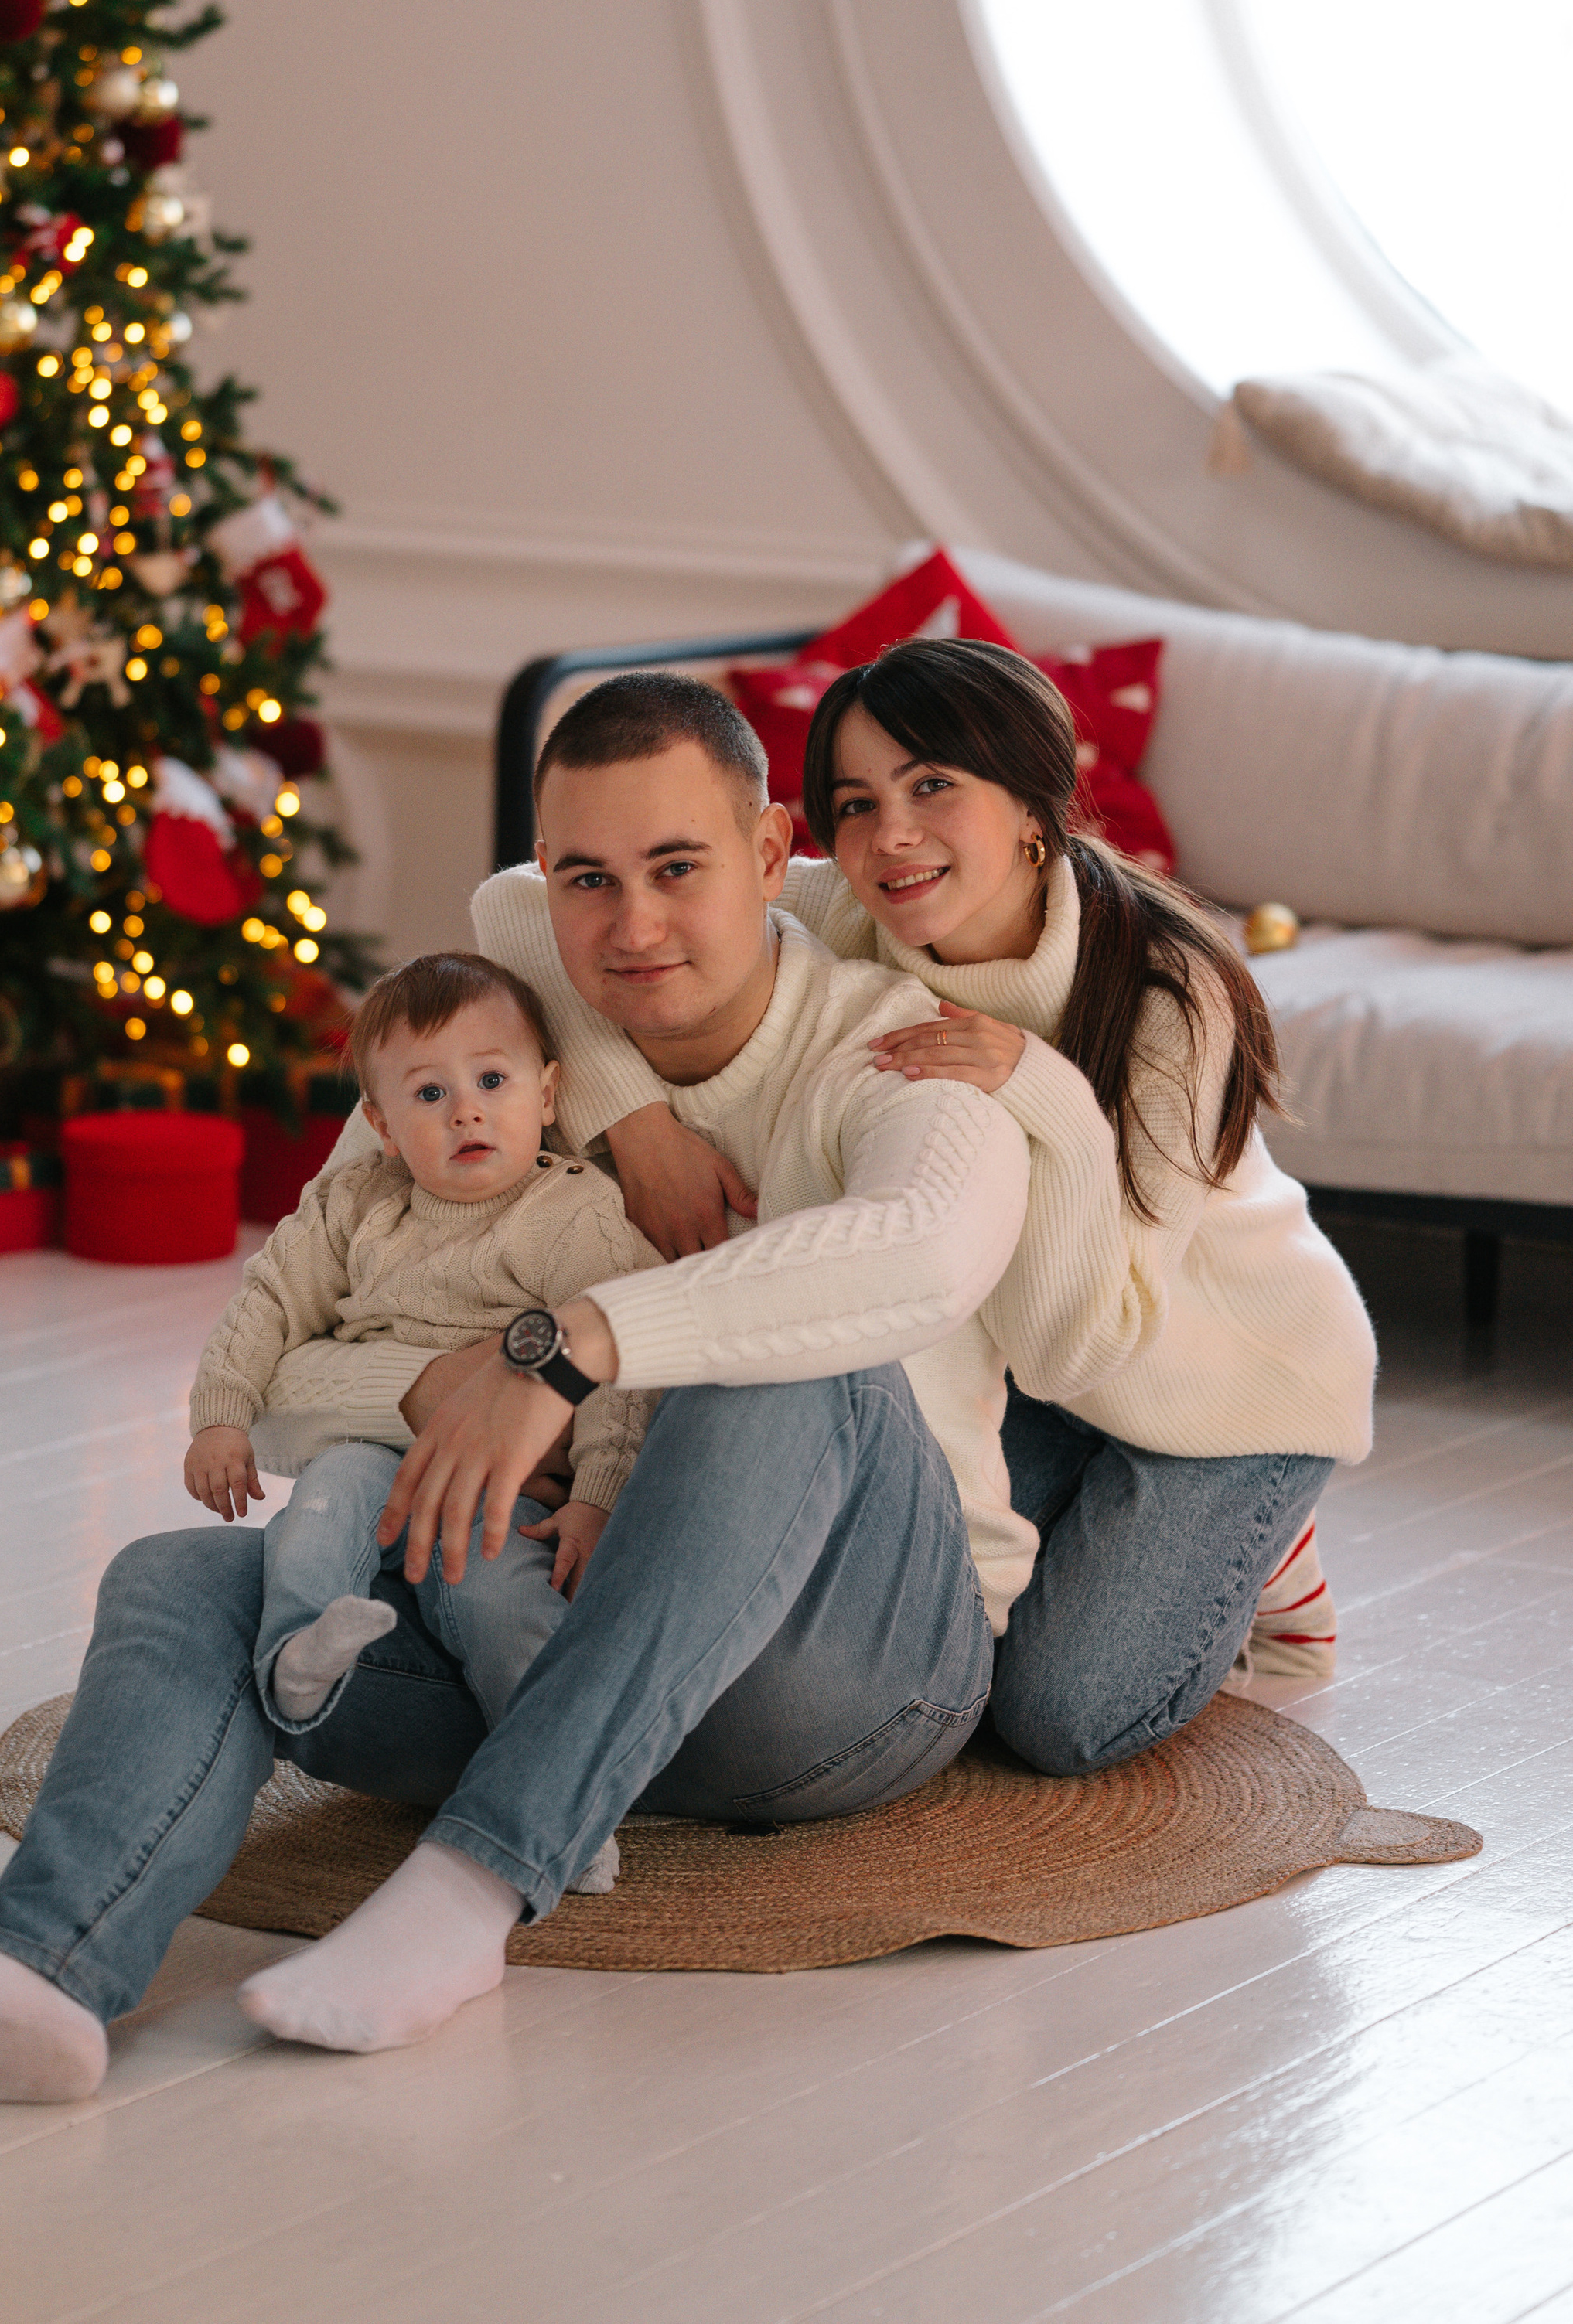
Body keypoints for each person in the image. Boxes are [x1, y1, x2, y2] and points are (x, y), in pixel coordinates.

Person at [0, 673, 1029, 2101]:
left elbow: (923, 1250)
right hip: (534, 1631)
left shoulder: (894, 1049)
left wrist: (568, 1349)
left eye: (677, 868)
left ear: (772, 854)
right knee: (180, 1579)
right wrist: (445, 1385)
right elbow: (288, 1377)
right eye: (588, 878)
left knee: (782, 1364)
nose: (633, 925)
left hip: (838, 1679)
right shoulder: (480, 1054)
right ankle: (27, 1977)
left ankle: (468, 1889)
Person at [479, 639, 1377, 1778]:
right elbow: (513, 903)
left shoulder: (1164, 997)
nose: (891, 836)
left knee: (1058, 1718)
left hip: (1214, 1375)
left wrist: (1047, 1093)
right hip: (1029, 1368)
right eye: (856, 803)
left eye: (933, 785)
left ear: (1033, 807)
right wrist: (636, 1124)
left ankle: (1270, 1551)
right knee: (924, 1607)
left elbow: (1081, 1344)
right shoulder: (866, 907)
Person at [185, 948, 657, 1893]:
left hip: (506, 1478)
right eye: (430, 1094)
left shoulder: (575, 1216)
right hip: (375, 1453)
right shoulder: (354, 1203)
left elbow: (618, 1367)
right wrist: (220, 1418)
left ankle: (562, 1798)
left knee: (505, 1608)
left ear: (548, 1093)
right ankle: (302, 1660)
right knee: (319, 1511)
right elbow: (267, 1302)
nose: (466, 1112)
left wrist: (598, 1495)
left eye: (492, 1082)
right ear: (382, 1125)